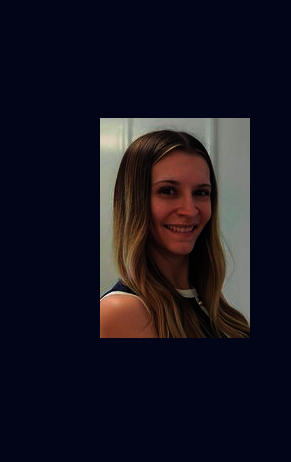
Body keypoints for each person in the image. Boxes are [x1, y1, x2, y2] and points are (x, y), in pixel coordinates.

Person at [100, 129, 250, 339]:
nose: (189, 210)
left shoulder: (212, 306)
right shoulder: (122, 311)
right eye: (168, 191)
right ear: (133, 201)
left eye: (201, 192)